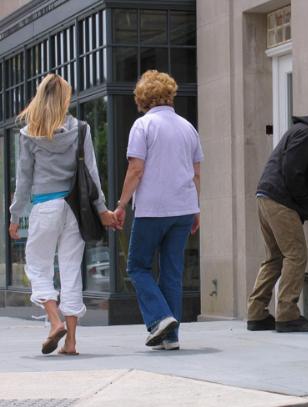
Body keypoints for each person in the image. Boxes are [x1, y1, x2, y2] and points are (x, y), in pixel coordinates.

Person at [9, 74, 116, 355]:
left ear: (40, 97)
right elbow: (92, 176)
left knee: (37, 265)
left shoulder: (29, 134)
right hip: (74, 209)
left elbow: (23, 180)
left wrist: (14, 216)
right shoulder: (81, 129)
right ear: (65, 98)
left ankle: (55, 321)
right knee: (71, 271)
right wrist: (103, 210)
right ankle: (70, 343)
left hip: (45, 207)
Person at [114, 70, 203, 350]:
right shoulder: (188, 127)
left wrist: (121, 204)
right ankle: (171, 338)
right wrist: (196, 208)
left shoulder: (144, 125)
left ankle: (160, 318)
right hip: (183, 208)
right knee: (172, 272)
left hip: (153, 209)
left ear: (143, 97)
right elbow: (196, 173)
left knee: (137, 266)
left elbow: (136, 168)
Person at [247, 115, 308, 332]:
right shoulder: (307, 134)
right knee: (296, 254)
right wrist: (304, 206)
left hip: (265, 195)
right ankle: (287, 313)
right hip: (280, 198)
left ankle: (257, 313)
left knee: (274, 257)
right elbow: (293, 171)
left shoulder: (297, 131)